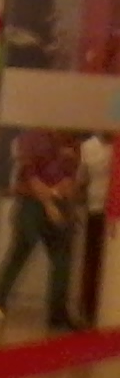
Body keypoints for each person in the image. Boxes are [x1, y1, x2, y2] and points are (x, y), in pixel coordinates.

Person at [0, 128, 82, 330]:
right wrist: (49, 203)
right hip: (31, 202)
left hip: (58, 201)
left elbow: (71, 175)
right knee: (19, 253)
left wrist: (63, 194)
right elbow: (30, 176)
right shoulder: (33, 136)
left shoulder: (71, 140)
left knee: (62, 259)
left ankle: (57, 315)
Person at [79, 132, 112, 324]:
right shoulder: (88, 147)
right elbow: (82, 179)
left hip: (110, 210)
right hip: (96, 209)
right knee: (93, 261)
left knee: (99, 262)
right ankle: (89, 310)